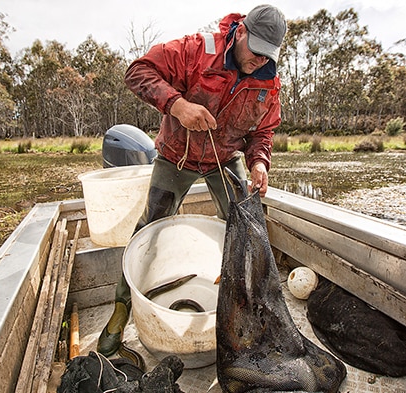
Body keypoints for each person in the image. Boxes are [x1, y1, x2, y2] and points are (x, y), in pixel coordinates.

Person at [97, 4, 288, 357]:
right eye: (256, 50)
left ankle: (248, 314)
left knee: (249, 230)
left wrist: (259, 161)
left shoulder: (269, 80)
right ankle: (121, 309)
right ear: (240, 32)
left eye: (269, 55)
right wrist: (177, 105)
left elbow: (263, 131)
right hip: (176, 155)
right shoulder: (195, 50)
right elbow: (137, 72)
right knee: (149, 228)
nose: (261, 60)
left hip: (225, 159)